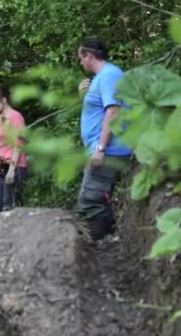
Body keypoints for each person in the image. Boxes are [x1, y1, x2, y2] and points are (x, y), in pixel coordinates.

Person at [76, 38, 132, 240]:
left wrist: (100, 147)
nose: (80, 62)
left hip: (109, 150)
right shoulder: (103, 77)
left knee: (90, 201)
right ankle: (105, 244)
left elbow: (113, 111)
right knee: (92, 200)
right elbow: (99, 109)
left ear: (88, 56)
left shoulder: (109, 75)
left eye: (80, 57)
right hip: (102, 149)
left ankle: (104, 247)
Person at [0, 86, 28, 214]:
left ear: (3, 100)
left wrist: (11, 169)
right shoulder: (0, 117)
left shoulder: (16, 117)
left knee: (8, 208)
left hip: (13, 168)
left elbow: (19, 143)